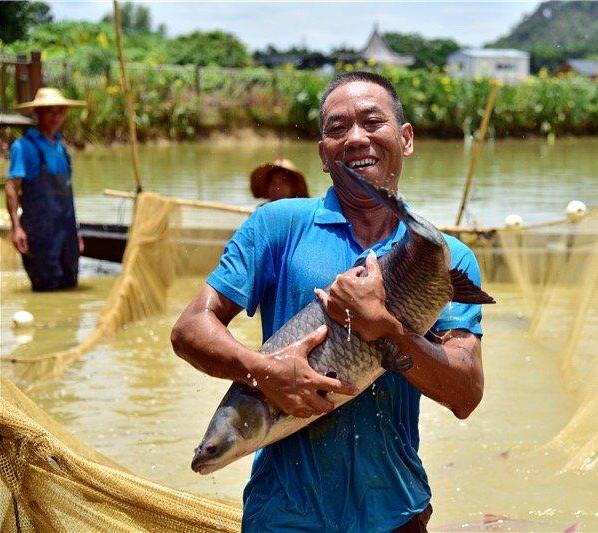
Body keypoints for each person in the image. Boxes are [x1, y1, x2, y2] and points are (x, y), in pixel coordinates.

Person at [171, 71, 486, 532]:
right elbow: (190, 329)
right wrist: (262, 370)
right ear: (322, 154)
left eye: (372, 122)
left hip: (395, 514)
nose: (356, 138)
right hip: (282, 516)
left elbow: (465, 394)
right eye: (337, 129)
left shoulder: (445, 259)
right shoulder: (276, 226)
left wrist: (386, 328)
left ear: (406, 139)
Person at [5, 88, 85, 291]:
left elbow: (67, 195)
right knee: (45, 288)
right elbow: (12, 188)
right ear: (38, 113)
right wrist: (16, 227)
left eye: (60, 111)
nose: (55, 116)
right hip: (40, 233)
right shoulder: (23, 147)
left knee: (71, 286)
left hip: (66, 231)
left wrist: (75, 230)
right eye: (49, 111)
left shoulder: (62, 148)